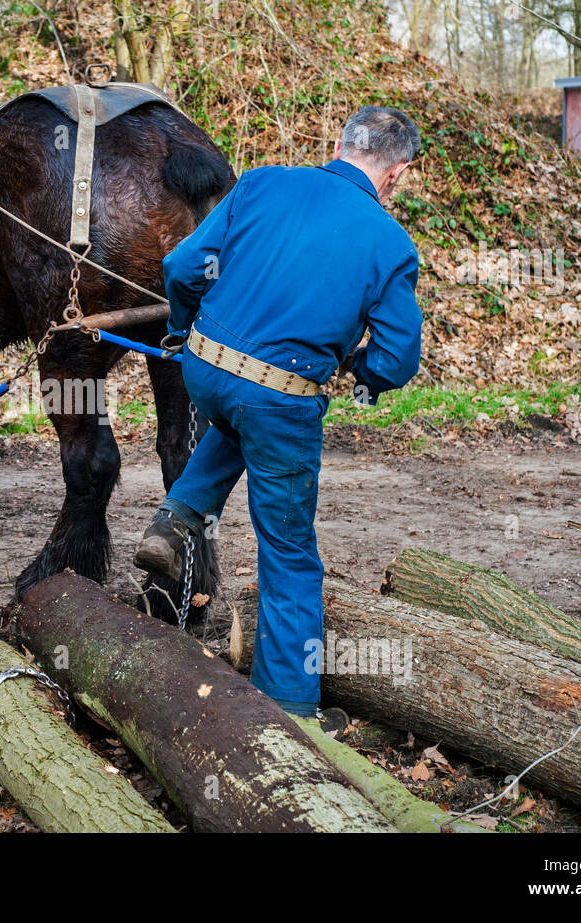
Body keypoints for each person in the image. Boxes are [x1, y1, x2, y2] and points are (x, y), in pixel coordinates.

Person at [135, 106, 424, 719]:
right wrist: (357, 372)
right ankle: (289, 708)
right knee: (290, 552)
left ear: (339, 144)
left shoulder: (264, 180)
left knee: (242, 417)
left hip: (205, 370)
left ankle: (178, 515)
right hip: (279, 395)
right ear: (396, 174)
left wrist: (183, 329)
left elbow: (182, 267)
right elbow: (397, 359)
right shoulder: (391, 244)